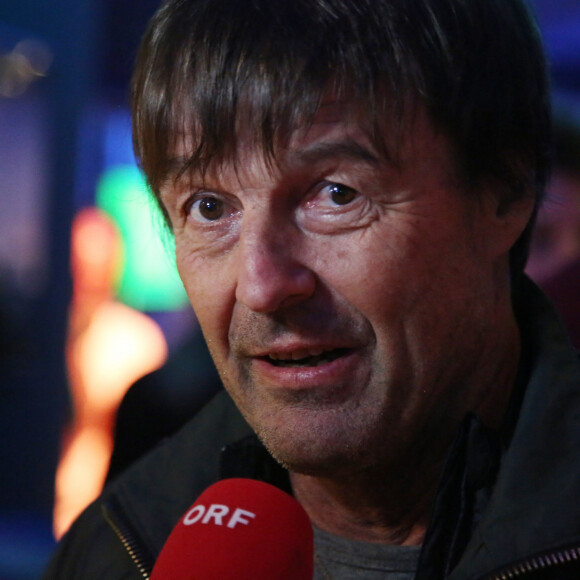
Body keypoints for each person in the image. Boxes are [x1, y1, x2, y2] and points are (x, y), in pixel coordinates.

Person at [44, 0, 580, 578]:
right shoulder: (113, 549)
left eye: (336, 195)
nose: (261, 285)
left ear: (504, 193)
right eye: (209, 207)